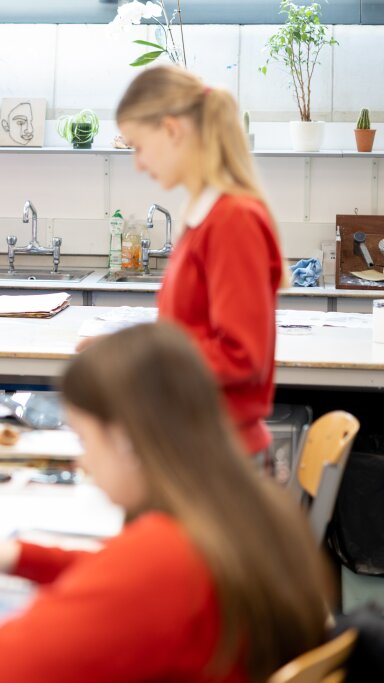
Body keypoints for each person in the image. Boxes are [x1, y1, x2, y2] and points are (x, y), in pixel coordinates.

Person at [0, 322, 331, 683]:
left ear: (125, 441)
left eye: (85, 439)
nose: (82, 461)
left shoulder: (163, 557)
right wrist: (16, 555)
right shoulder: (252, 510)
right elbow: (123, 580)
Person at [108, 65, 284, 459]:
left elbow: (241, 354)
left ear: (172, 130)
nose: (137, 163)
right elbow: (191, 331)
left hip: (221, 454)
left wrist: (142, 359)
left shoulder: (232, 219)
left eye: (137, 146)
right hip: (195, 441)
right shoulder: (203, 215)